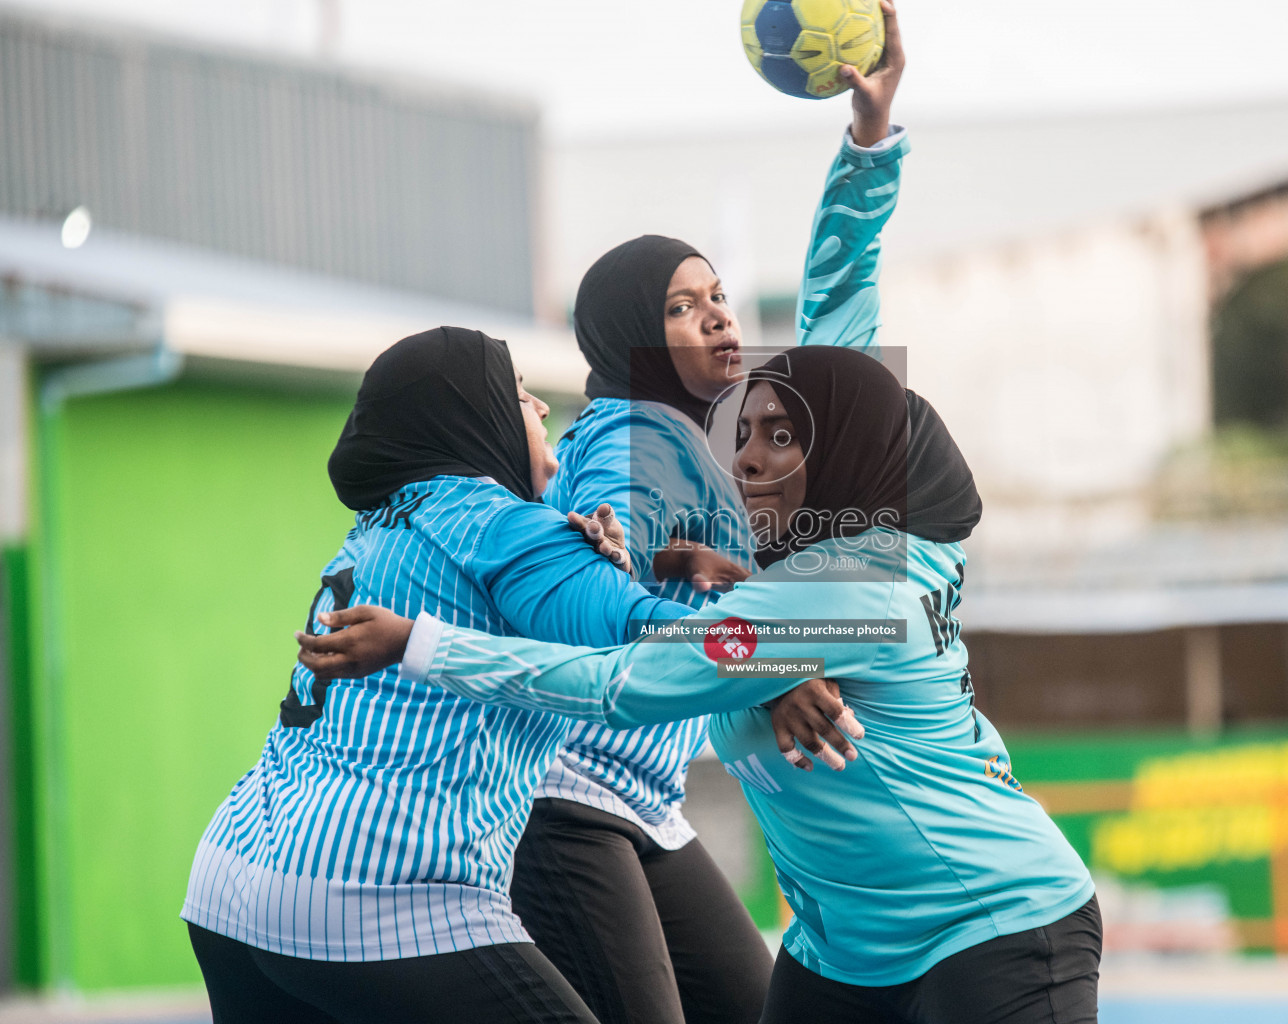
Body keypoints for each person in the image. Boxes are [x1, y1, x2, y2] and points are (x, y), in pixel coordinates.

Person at [298, 346, 1103, 1024]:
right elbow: (725, 618)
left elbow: (633, 683)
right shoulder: (814, 570)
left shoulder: (850, 586)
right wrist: (690, 597)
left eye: (781, 437)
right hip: (843, 953)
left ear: (850, 455)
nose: (745, 459)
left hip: (989, 926)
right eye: (742, 433)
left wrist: (424, 646)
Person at [515, 4, 909, 1021]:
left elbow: (839, 300)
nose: (719, 315)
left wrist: (869, 140)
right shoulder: (628, 434)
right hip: (565, 797)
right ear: (627, 337)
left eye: (722, 295)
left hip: (646, 799)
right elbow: (597, 585)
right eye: (682, 306)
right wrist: (771, 667)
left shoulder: (715, 435)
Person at [182, 326, 673, 1023]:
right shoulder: (497, 524)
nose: (539, 410)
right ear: (474, 419)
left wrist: (598, 570)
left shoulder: (386, 522)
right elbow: (669, 642)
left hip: (235, 874)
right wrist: (801, 658)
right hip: (381, 892)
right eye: (520, 395)